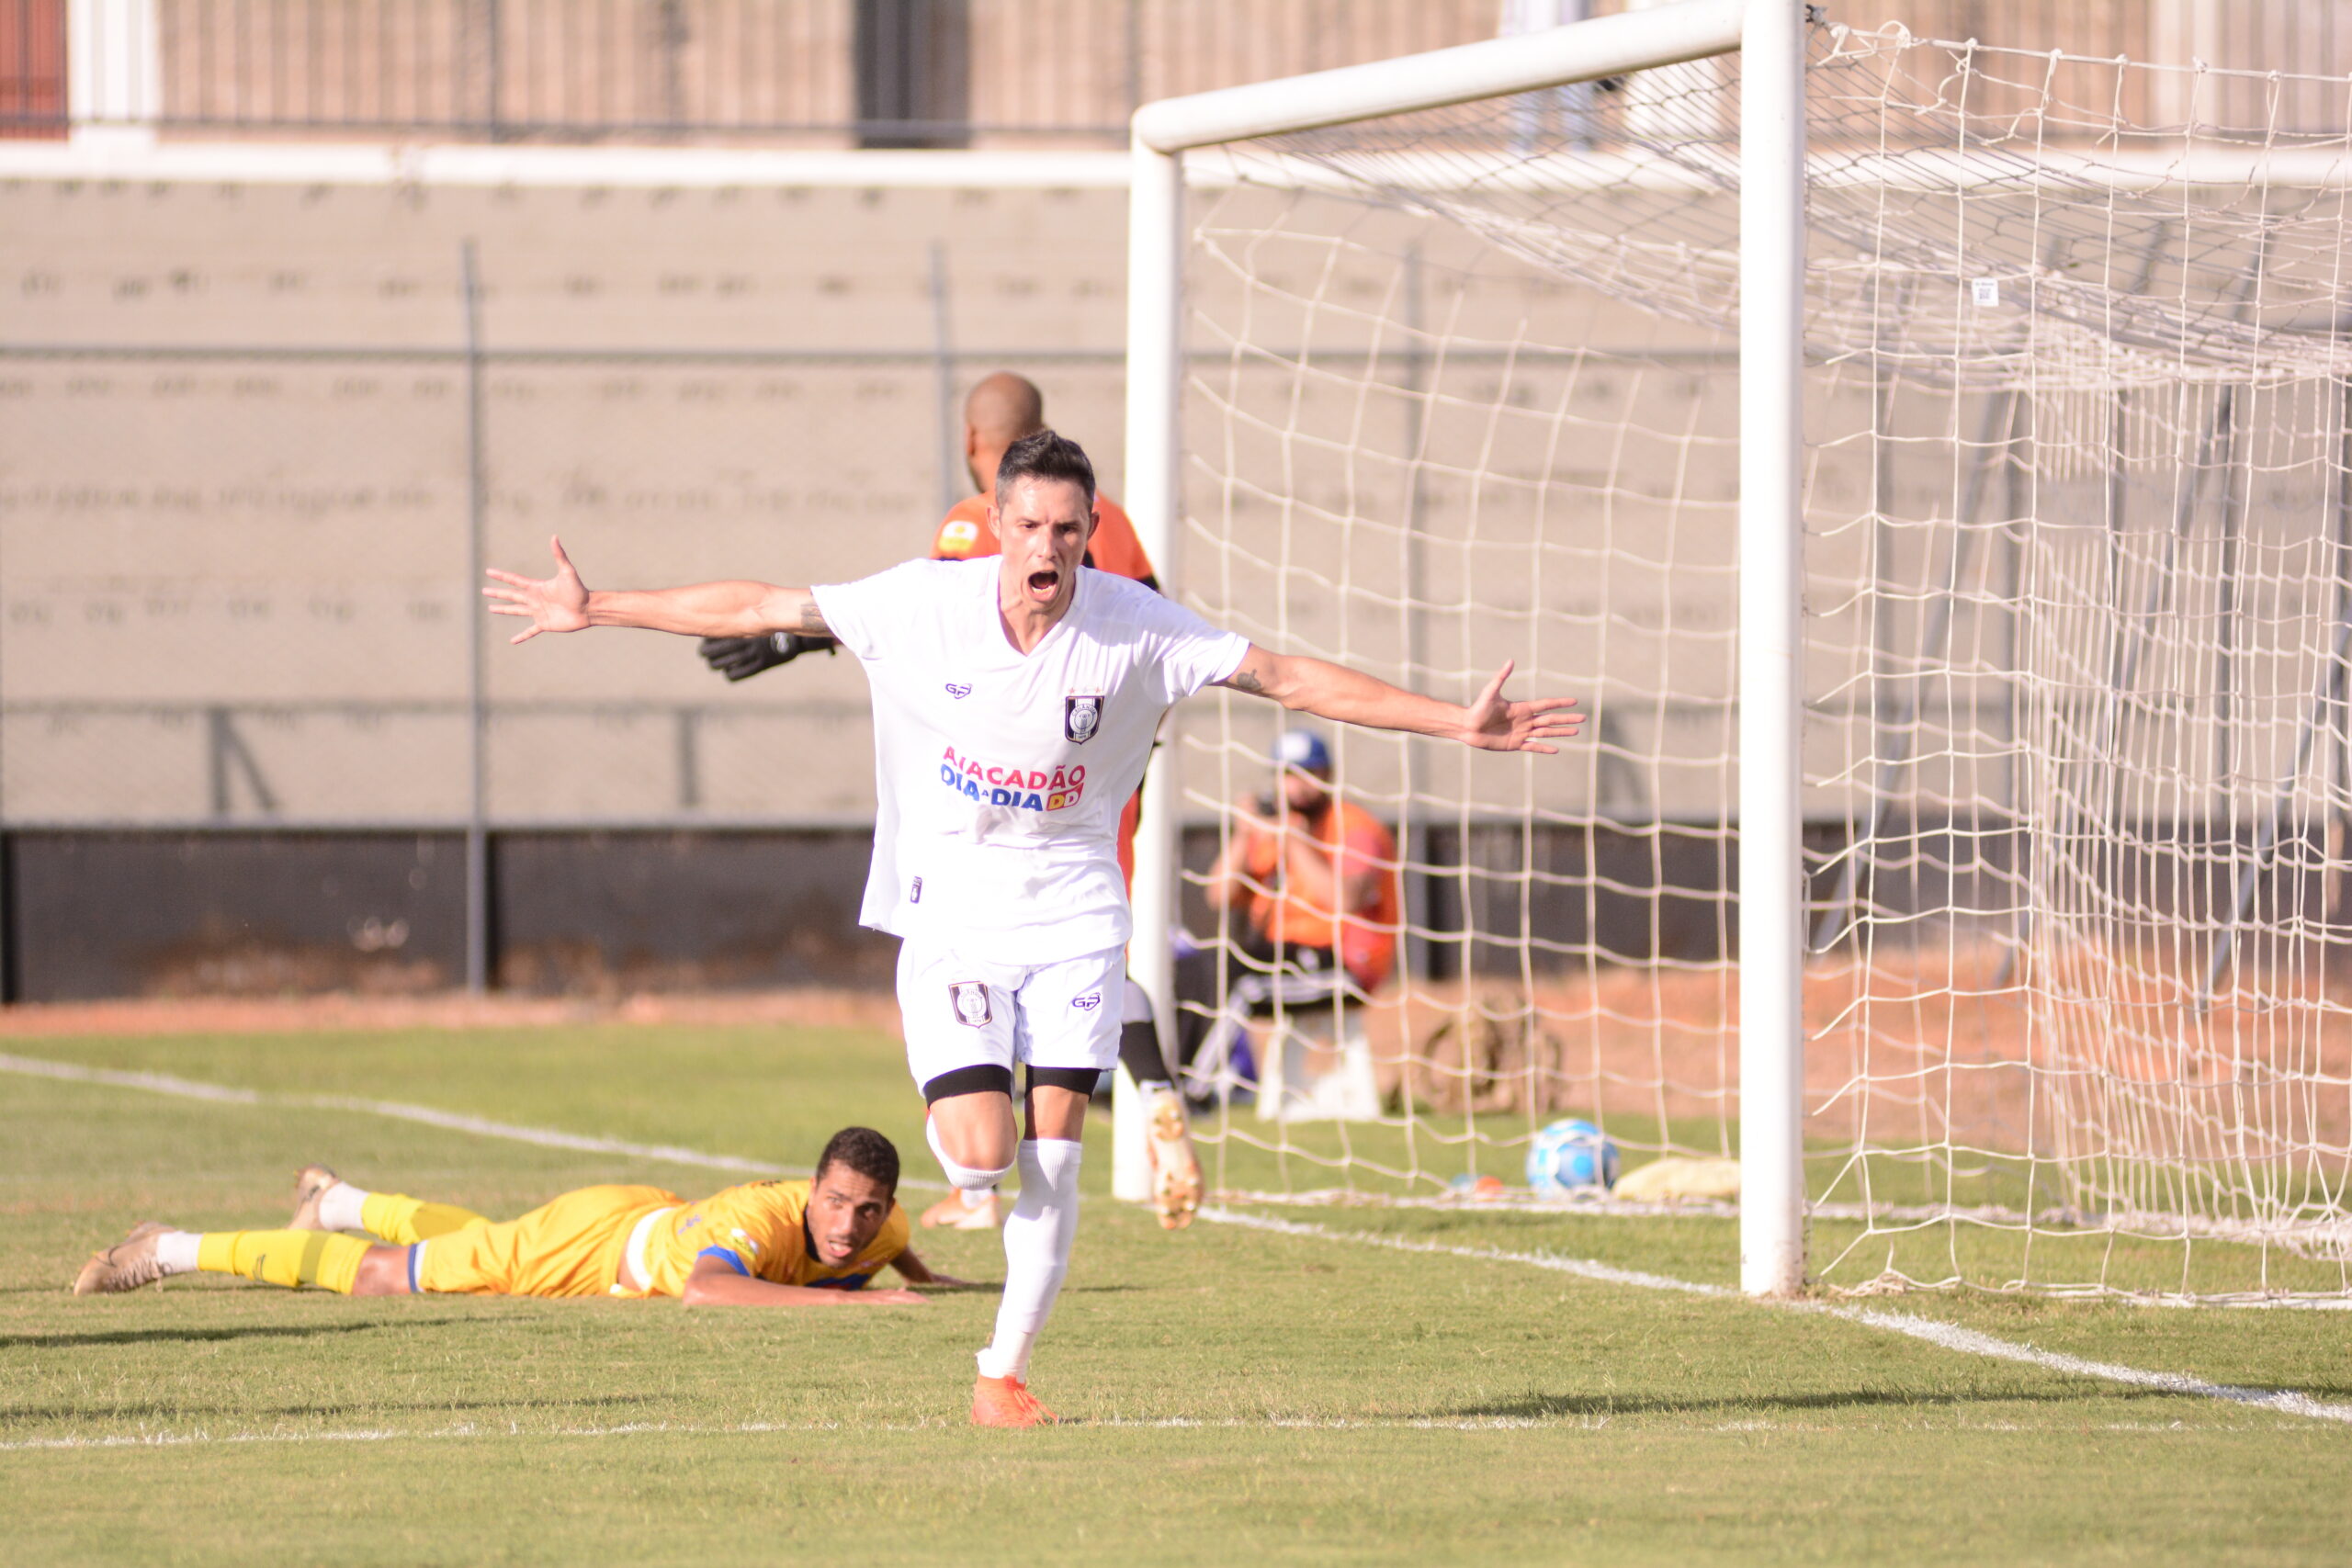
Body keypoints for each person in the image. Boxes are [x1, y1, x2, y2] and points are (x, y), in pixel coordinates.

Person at [481, 428, 1582, 1426]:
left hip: (1075, 923)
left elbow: (1286, 677)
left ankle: (1000, 1376)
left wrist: (1455, 722)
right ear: (994, 526)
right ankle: (983, 1123)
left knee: (1054, 1159)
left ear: (1087, 533)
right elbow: (762, 605)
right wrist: (600, 606)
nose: (1047, 545)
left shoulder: (1135, 628)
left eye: (1068, 527)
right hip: (952, 923)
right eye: (1029, 525)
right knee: (984, 1152)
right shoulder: (926, 602)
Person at [697, 370, 1196, 1237]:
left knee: (992, 958)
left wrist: (795, 639)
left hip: (1008, 794)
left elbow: (948, 629)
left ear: (974, 444)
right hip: (1108, 781)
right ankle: (1154, 1089)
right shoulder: (1106, 520)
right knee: (1085, 951)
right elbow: (1151, 614)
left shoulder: (974, 521)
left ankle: (978, 1183)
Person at [74, 1126, 958, 1306]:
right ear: (810, 1191)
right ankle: (168, 1247)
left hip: (637, 1213)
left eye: (865, 1208)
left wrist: (926, 1276)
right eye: (834, 1201)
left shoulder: (885, 1226)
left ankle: (337, 1201)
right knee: (390, 1274)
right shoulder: (767, 1223)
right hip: (595, 1247)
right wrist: (858, 1303)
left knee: (482, 1240)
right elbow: (705, 1293)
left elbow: (902, 1244)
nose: (848, 1224)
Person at [1181, 728, 1401, 1092]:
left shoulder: (1357, 828)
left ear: (1328, 776)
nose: (1296, 785)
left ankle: (1192, 1093)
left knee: (1245, 985)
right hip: (1285, 955)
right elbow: (1219, 896)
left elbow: (1342, 901)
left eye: (1308, 774)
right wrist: (1243, 833)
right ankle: (1167, 1079)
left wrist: (1292, 839)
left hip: (1344, 964)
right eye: (1287, 774)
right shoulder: (1270, 831)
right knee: (1195, 966)